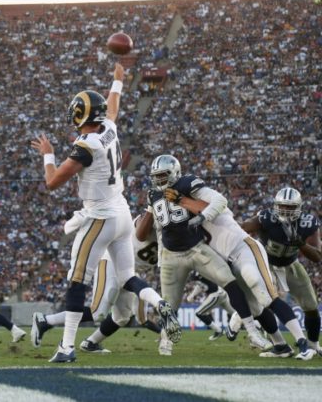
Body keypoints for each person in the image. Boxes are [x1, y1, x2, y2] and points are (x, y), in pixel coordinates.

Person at [30, 63, 180, 363]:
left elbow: (52, 181)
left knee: (76, 280)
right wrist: (117, 81)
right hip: (123, 212)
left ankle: (67, 347)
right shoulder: (108, 129)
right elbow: (112, 109)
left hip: (100, 218)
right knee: (127, 276)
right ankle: (159, 302)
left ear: (78, 114)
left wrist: (47, 153)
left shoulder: (87, 145)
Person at [172, 182, 317, 360]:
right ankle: (280, 345)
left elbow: (217, 205)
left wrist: (183, 201)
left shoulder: (210, 204)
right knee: (256, 308)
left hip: (248, 250)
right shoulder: (187, 225)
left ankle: (303, 343)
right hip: (233, 261)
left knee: (266, 295)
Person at [143, 154, 271, 356]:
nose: (159, 180)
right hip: (171, 255)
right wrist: (160, 254)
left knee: (230, 282)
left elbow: (216, 201)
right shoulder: (153, 194)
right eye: (156, 176)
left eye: (163, 175)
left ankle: (253, 333)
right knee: (170, 304)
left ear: (175, 172)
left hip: (197, 248)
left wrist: (202, 216)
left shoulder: (187, 184)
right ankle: (166, 342)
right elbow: (157, 230)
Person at [32, 215, 161, 353]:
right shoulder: (150, 219)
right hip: (112, 260)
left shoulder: (172, 237)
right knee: (98, 312)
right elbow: (140, 233)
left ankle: (91, 343)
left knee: (122, 317)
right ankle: (45, 321)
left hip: (130, 272)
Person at [241, 187, 322, 356]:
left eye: (291, 206)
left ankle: (313, 345)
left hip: (291, 265)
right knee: (263, 303)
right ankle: (279, 344)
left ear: (299, 207)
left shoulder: (308, 222)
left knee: (311, 307)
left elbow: (317, 256)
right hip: (266, 265)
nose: (286, 210)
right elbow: (241, 229)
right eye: (282, 206)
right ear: (276, 205)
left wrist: (300, 243)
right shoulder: (265, 218)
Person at [185, 272, 234, 340]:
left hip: (216, 294)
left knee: (198, 312)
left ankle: (218, 331)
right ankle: (253, 325)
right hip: (221, 292)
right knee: (237, 314)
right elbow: (201, 285)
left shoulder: (197, 273)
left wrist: (192, 295)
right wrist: (192, 295)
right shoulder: (198, 273)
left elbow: (201, 285)